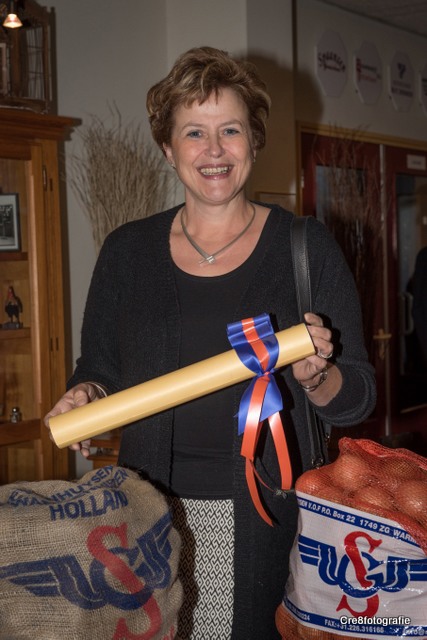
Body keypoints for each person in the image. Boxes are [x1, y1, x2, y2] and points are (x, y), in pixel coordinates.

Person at [45, 46, 376, 640]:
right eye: (195, 133)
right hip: (142, 517)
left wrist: (318, 376)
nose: (215, 150)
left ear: (254, 140)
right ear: (168, 149)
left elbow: (357, 399)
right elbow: (99, 368)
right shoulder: (126, 252)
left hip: (265, 517)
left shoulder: (306, 248)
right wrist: (86, 395)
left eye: (231, 130)